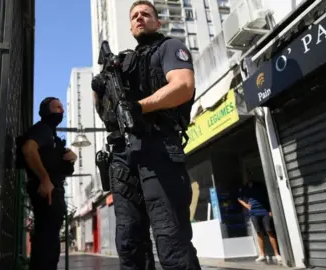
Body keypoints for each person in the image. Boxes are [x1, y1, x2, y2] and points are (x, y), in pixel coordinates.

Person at [92, 1, 201, 269]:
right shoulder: (121, 63)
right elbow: (108, 116)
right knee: (129, 244)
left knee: (171, 242)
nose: (140, 18)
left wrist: (140, 106)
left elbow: (184, 87)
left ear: (157, 22)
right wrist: (100, 89)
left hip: (158, 148)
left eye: (146, 14)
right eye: (135, 16)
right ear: (130, 26)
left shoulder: (169, 47)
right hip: (122, 158)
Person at [18, 97, 78, 270]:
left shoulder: (50, 134)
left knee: (50, 244)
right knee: (46, 246)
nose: (62, 111)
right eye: (57, 107)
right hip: (48, 192)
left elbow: (52, 160)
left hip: (53, 190)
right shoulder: (42, 129)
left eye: (62, 107)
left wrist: (70, 157)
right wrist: (45, 179)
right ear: (46, 111)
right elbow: (28, 149)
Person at [238, 169, 282, 264]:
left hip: (264, 211)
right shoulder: (244, 188)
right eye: (246, 175)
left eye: (249, 175)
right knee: (259, 232)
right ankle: (262, 254)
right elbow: (239, 199)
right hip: (254, 213)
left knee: (269, 231)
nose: (248, 177)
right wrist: (247, 206)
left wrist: (270, 209)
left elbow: (269, 195)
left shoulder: (260, 185)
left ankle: (277, 254)